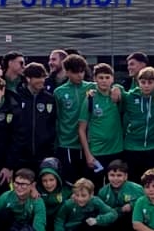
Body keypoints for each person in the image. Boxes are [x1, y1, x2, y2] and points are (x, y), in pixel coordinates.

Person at [122, 66, 154, 182]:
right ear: (138, 82)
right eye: (143, 82)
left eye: (150, 82)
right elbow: (116, 90)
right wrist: (117, 87)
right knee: (134, 181)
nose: (146, 85)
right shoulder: (129, 97)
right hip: (132, 147)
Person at [78, 63, 125, 178]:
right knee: (96, 187)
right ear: (95, 79)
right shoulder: (90, 98)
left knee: (116, 186)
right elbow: (81, 129)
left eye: (107, 77)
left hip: (117, 150)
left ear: (112, 79)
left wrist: (119, 88)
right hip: (97, 152)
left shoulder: (118, 96)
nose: (104, 81)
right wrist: (88, 155)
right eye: (101, 78)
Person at [51, 177, 117, 231]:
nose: (80, 199)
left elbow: (113, 213)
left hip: (89, 228)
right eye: (77, 195)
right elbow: (59, 219)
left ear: (91, 194)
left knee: (88, 221)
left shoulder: (95, 201)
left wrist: (98, 220)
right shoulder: (69, 204)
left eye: (83, 195)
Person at [11, 63, 58, 175]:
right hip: (21, 156)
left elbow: (52, 124)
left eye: (43, 77)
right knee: (23, 186)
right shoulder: (16, 97)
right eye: (38, 77)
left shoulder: (49, 99)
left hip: (44, 155)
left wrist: (50, 147)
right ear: (28, 78)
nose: (42, 80)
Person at [53, 54, 94, 182]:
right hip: (67, 144)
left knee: (88, 182)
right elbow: (57, 118)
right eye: (76, 72)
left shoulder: (92, 87)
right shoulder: (59, 92)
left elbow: (111, 88)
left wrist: (117, 89)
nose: (80, 75)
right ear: (67, 72)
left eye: (82, 72)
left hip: (90, 144)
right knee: (71, 182)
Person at [96, 159, 144, 231]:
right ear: (108, 176)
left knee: (133, 212)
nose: (115, 179)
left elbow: (146, 203)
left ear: (126, 176)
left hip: (133, 222)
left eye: (119, 175)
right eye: (112, 175)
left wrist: (132, 205)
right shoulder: (103, 192)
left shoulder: (137, 189)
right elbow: (101, 210)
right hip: (114, 220)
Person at [35, 158, 69, 231]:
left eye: (51, 180)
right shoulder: (36, 190)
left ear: (58, 178)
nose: (48, 184)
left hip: (61, 223)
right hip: (43, 223)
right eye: (44, 181)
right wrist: (32, 188)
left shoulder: (67, 190)